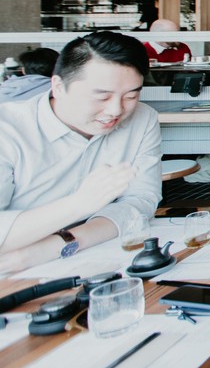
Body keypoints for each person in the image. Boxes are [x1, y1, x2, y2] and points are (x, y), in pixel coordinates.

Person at [0, 32, 161, 274]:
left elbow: (140, 201)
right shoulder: (8, 131)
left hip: (96, 258)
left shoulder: (143, 119)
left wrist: (60, 244)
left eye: (131, 96)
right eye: (102, 96)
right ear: (58, 86)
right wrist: (78, 204)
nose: (115, 110)